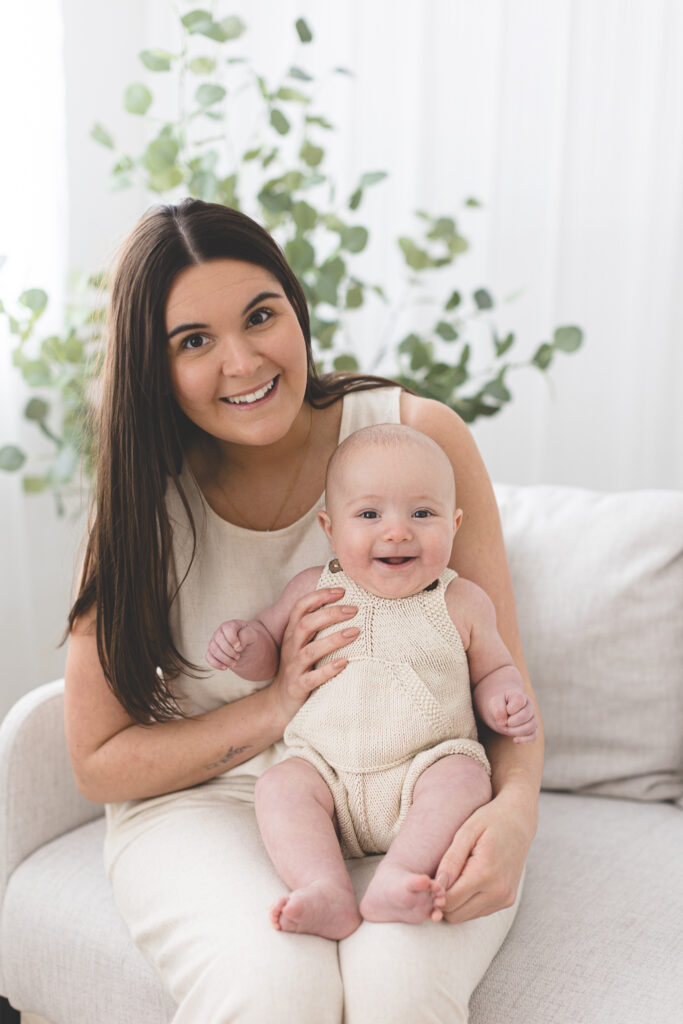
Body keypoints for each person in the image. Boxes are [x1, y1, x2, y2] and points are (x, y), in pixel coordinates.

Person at [64, 197, 544, 1024]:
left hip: (422, 782)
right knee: (272, 986)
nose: (244, 361)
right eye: (194, 341)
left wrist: (514, 816)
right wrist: (278, 702)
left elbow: (500, 677)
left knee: (400, 987)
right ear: (153, 363)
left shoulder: (415, 436)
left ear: (297, 308)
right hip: (211, 800)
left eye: (261, 315)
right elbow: (98, 760)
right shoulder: (144, 494)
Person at [206, 423, 538, 939]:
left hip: (420, 772)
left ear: (454, 524)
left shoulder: (462, 602)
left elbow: (494, 670)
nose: (397, 531)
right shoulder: (313, 590)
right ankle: (325, 888)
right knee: (279, 785)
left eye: (422, 514)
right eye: (369, 514)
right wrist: (245, 645)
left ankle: (400, 874)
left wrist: (504, 700)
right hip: (327, 776)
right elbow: (269, 656)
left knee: (465, 776)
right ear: (329, 528)